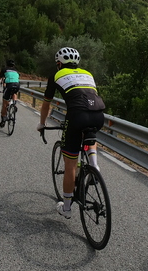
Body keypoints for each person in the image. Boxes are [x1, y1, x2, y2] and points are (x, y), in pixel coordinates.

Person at [37, 47, 106, 219]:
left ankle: (66, 208)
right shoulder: (88, 73)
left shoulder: (56, 75)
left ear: (59, 63)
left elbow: (46, 104)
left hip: (77, 116)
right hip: (98, 115)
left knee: (71, 165)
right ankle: (94, 164)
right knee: (90, 134)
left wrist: (42, 124)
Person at [0, 59, 20, 127]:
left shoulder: (4, 69)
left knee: (4, 103)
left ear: (7, 64)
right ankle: (14, 104)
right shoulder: (16, 71)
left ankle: (3, 120)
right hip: (17, 85)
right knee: (14, 93)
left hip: (9, 85)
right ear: (14, 65)